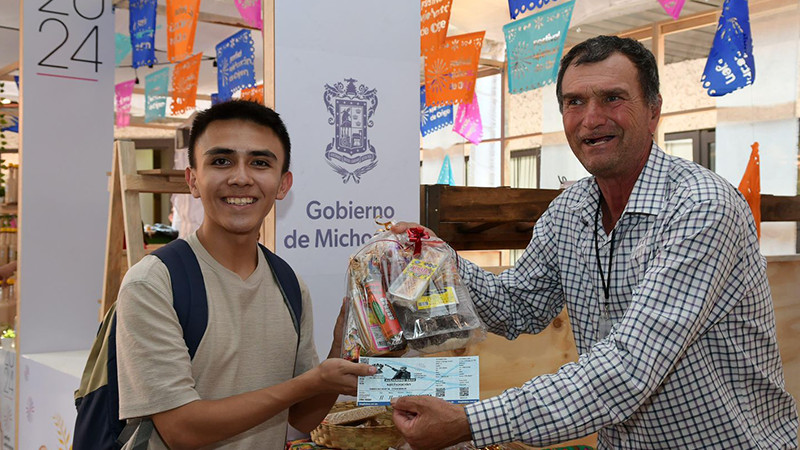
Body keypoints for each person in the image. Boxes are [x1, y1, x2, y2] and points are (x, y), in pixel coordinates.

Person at [391, 36, 798, 449]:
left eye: (612, 98)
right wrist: (435, 259)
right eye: (575, 102)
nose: (591, 118)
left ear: (654, 111)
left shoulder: (701, 207)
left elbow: (629, 366)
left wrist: (471, 422)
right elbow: (518, 307)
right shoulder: (571, 209)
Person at [115, 100, 376, 449]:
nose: (240, 177)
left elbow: (300, 419)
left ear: (283, 185)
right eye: (221, 161)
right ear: (193, 180)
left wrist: (339, 356)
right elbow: (181, 429)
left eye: (260, 163)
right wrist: (311, 382)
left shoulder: (288, 285)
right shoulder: (154, 283)